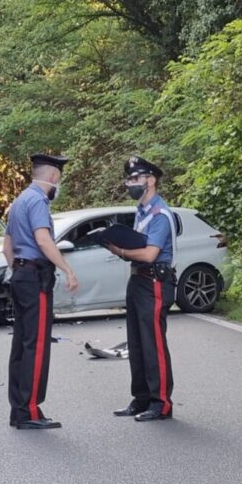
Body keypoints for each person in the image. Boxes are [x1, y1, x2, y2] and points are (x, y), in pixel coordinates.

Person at [4, 154, 78, 430]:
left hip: (21, 275)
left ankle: (18, 409)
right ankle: (31, 410)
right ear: (53, 177)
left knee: (22, 344)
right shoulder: (38, 202)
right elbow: (43, 239)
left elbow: (7, 246)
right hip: (35, 277)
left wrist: (18, 270)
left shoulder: (20, 200)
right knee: (36, 346)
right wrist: (67, 269)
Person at [105, 156, 176, 421]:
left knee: (153, 343)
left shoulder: (160, 214)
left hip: (154, 281)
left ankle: (161, 404)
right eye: (129, 179)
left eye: (136, 178)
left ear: (151, 180)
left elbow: (149, 254)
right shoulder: (142, 211)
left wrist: (118, 250)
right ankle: (141, 398)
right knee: (136, 343)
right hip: (138, 280)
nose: (131, 183)